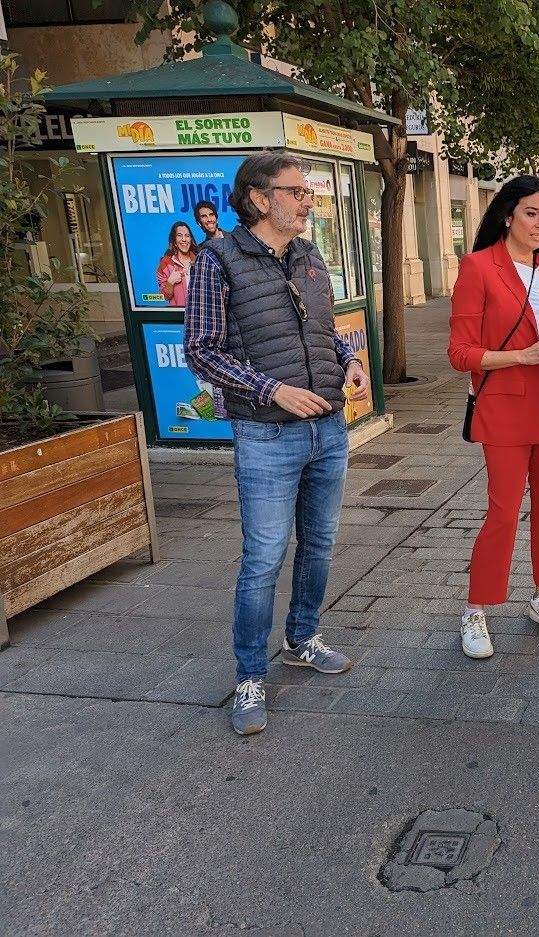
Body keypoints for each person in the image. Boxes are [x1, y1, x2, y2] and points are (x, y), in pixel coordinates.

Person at [184, 151, 371, 736]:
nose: (307, 201)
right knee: (264, 557)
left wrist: (348, 361)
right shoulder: (219, 259)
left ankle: (303, 637)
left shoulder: (310, 255)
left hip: (327, 427)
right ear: (259, 198)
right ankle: (248, 677)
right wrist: (273, 391)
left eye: (307, 192)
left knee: (318, 545)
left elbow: (321, 329)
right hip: (266, 433)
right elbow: (202, 350)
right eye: (295, 192)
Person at [448, 175, 539, 661]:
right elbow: (460, 353)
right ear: (507, 214)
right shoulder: (478, 267)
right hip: (507, 403)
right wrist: (522, 356)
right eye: (531, 213)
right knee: (504, 508)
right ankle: (476, 609)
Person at [155, 221, 197, 307]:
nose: (184, 239)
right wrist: (170, 282)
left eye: (187, 236)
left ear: (191, 239)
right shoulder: (165, 263)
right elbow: (164, 297)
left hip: (200, 314)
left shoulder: (200, 260)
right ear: (174, 241)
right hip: (179, 315)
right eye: (179, 235)